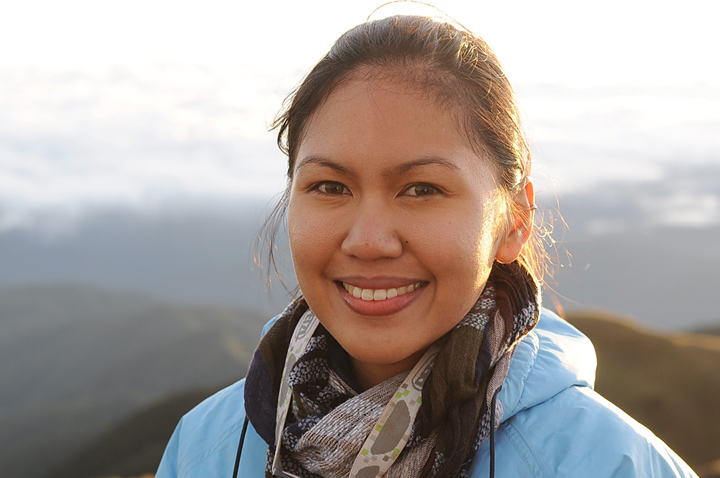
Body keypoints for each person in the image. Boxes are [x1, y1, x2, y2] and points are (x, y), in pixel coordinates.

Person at [156, 14, 698, 478]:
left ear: (514, 219)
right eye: (330, 186)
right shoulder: (206, 447)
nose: (368, 240)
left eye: (421, 189)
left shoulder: (605, 463)